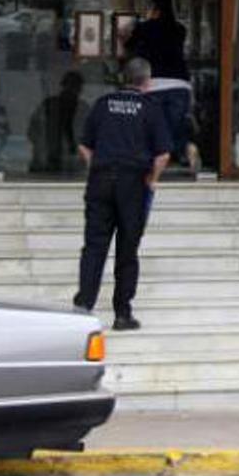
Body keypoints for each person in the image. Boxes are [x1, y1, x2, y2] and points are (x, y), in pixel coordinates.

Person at [73, 57, 171, 331]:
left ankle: (83, 307)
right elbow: (162, 155)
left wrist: (96, 167)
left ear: (123, 78)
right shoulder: (150, 108)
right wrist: (152, 180)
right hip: (133, 184)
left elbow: (84, 146)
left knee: (94, 247)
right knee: (127, 250)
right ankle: (122, 314)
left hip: (101, 181)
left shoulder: (103, 104)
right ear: (147, 81)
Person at [126, 0, 198, 171]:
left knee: (154, 128)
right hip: (180, 83)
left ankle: (155, 166)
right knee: (176, 126)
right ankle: (185, 151)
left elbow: (129, 46)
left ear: (153, 4)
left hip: (154, 83)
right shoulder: (179, 29)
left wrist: (146, 19)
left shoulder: (144, 28)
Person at [28, 71, 89, 173]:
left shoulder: (84, 110)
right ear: (63, 86)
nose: (72, 90)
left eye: (76, 86)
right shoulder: (48, 106)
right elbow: (32, 132)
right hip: (45, 163)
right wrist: (42, 150)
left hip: (74, 165)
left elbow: (90, 137)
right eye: (70, 85)